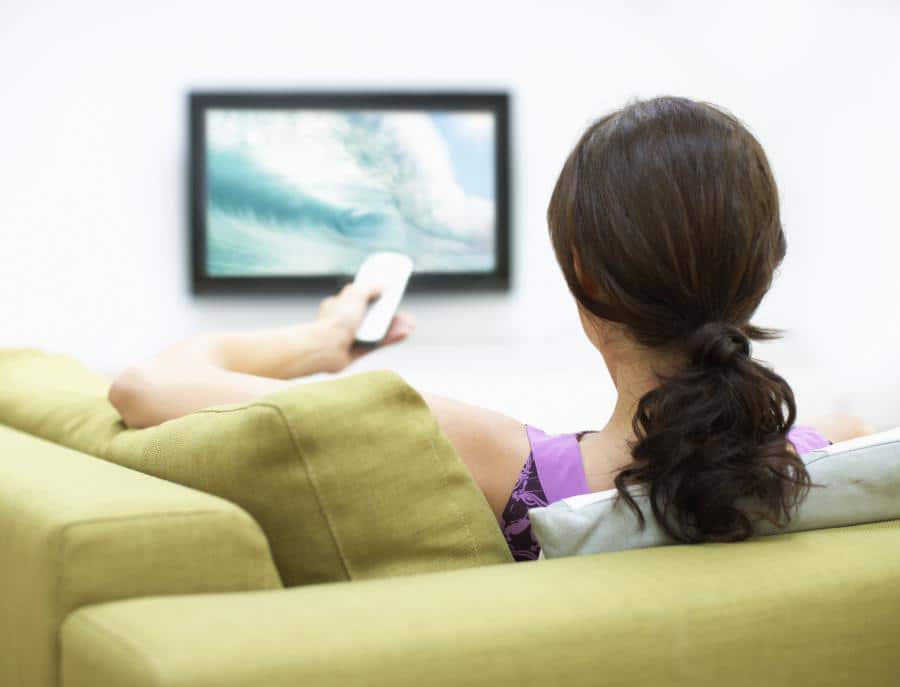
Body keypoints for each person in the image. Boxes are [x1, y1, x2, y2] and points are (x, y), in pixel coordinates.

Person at [109, 96, 870, 562]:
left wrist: (321, 342)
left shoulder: (494, 466)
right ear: (764, 266)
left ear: (586, 275)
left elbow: (145, 387)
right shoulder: (834, 458)